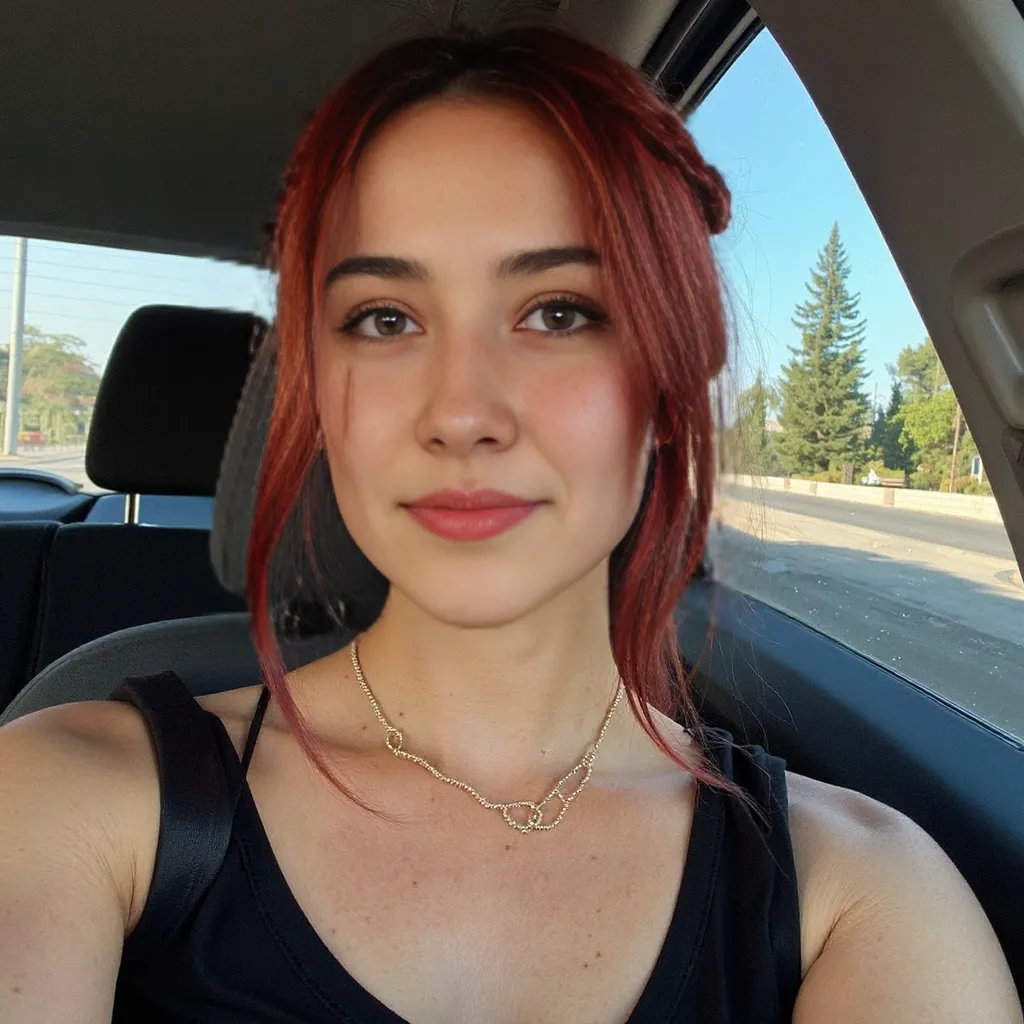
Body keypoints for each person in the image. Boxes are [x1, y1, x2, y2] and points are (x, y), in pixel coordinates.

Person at [0, 23, 1020, 1024]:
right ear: (319, 394)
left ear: (668, 385)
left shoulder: (862, 898)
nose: (461, 413)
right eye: (385, 319)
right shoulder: (67, 791)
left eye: (558, 312)